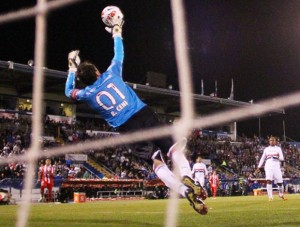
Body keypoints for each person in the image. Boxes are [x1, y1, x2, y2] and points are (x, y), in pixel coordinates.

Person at [64, 8, 207, 215]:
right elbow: (119, 53)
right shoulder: (112, 73)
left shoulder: (86, 94)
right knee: (173, 148)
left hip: (127, 127)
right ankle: (187, 175)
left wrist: (71, 69)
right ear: (96, 71)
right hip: (143, 114)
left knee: (155, 161)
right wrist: (116, 31)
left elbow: (69, 92)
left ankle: (185, 191)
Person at [256, 136, 287, 201]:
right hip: (268, 166)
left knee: (280, 183)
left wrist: (277, 157)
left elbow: (282, 158)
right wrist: (259, 167)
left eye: (273, 140)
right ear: (269, 141)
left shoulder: (278, 149)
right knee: (269, 181)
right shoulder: (266, 149)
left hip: (276, 166)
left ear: (275, 141)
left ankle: (281, 194)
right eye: (270, 140)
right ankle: (270, 197)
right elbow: (262, 158)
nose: (272, 141)